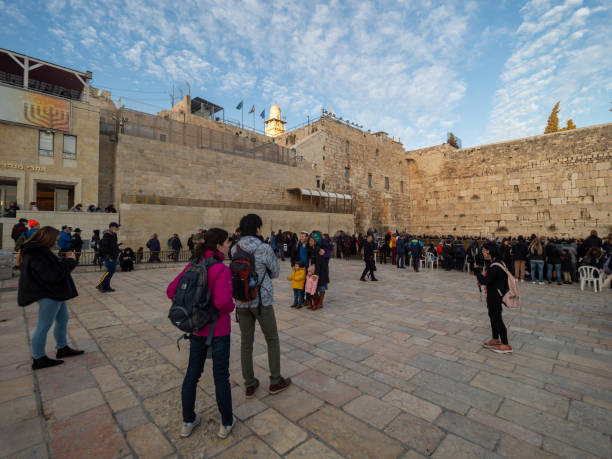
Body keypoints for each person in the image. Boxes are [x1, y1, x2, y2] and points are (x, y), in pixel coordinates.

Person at [167, 229, 236, 439]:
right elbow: (223, 303)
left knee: (192, 374)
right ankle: (226, 422)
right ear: (218, 246)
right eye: (226, 243)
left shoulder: (193, 264)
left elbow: (171, 291)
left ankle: (188, 421)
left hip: (197, 329)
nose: (228, 246)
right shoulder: (220, 269)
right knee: (221, 377)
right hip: (219, 330)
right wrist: (231, 305)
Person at [231, 214, 290, 398]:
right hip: (261, 301)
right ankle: (275, 380)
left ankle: (249, 383)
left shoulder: (235, 248)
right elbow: (275, 273)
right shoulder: (263, 248)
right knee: (271, 338)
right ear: (257, 229)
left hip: (241, 301)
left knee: (246, 343)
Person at [17, 226, 83, 369]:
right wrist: (70, 261)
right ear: (48, 239)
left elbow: (49, 269)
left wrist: (63, 260)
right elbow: (52, 275)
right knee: (44, 325)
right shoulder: (36, 253)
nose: (57, 243)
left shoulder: (40, 251)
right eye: (56, 240)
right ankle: (38, 358)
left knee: (63, 318)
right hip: (48, 293)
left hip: (55, 292)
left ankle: (62, 347)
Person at [474, 242, 512, 354]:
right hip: (494, 295)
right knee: (492, 316)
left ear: (489, 251)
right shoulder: (498, 263)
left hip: (495, 296)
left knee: (497, 319)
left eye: (484, 250)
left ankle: (505, 344)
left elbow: (485, 280)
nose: (483, 252)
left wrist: (477, 272)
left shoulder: (495, 266)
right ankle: (495, 339)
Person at [307, 231, 330, 310]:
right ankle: (317, 302)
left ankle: (320, 303)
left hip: (321, 271)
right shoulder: (313, 249)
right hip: (317, 271)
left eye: (311, 241)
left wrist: (315, 275)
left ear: (315, 241)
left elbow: (319, 264)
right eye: (309, 240)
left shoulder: (318, 250)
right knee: (315, 288)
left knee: (321, 287)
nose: (309, 242)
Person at [97, 222, 120, 292]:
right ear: (111, 227)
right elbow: (104, 247)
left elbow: (114, 245)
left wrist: (118, 250)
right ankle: (100, 285)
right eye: (116, 227)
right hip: (109, 257)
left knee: (112, 271)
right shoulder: (106, 235)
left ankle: (107, 286)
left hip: (114, 256)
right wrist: (108, 256)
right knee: (109, 271)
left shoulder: (114, 235)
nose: (116, 229)